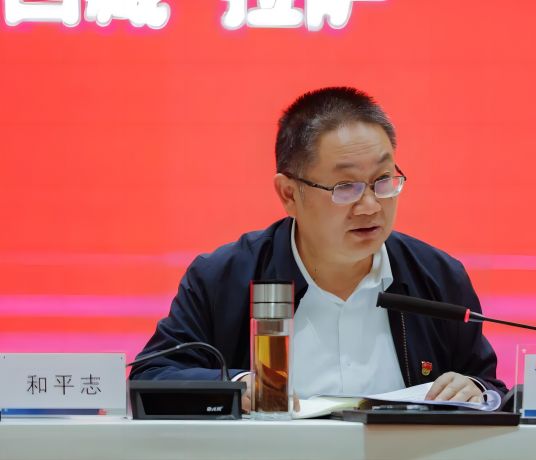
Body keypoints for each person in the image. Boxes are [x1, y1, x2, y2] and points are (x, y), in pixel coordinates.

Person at [129, 87, 507, 411]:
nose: (370, 206)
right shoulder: (225, 278)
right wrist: (237, 386)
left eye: (383, 180)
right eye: (346, 187)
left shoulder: (437, 277)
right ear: (289, 194)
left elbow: (488, 386)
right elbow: (152, 378)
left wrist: (476, 389)